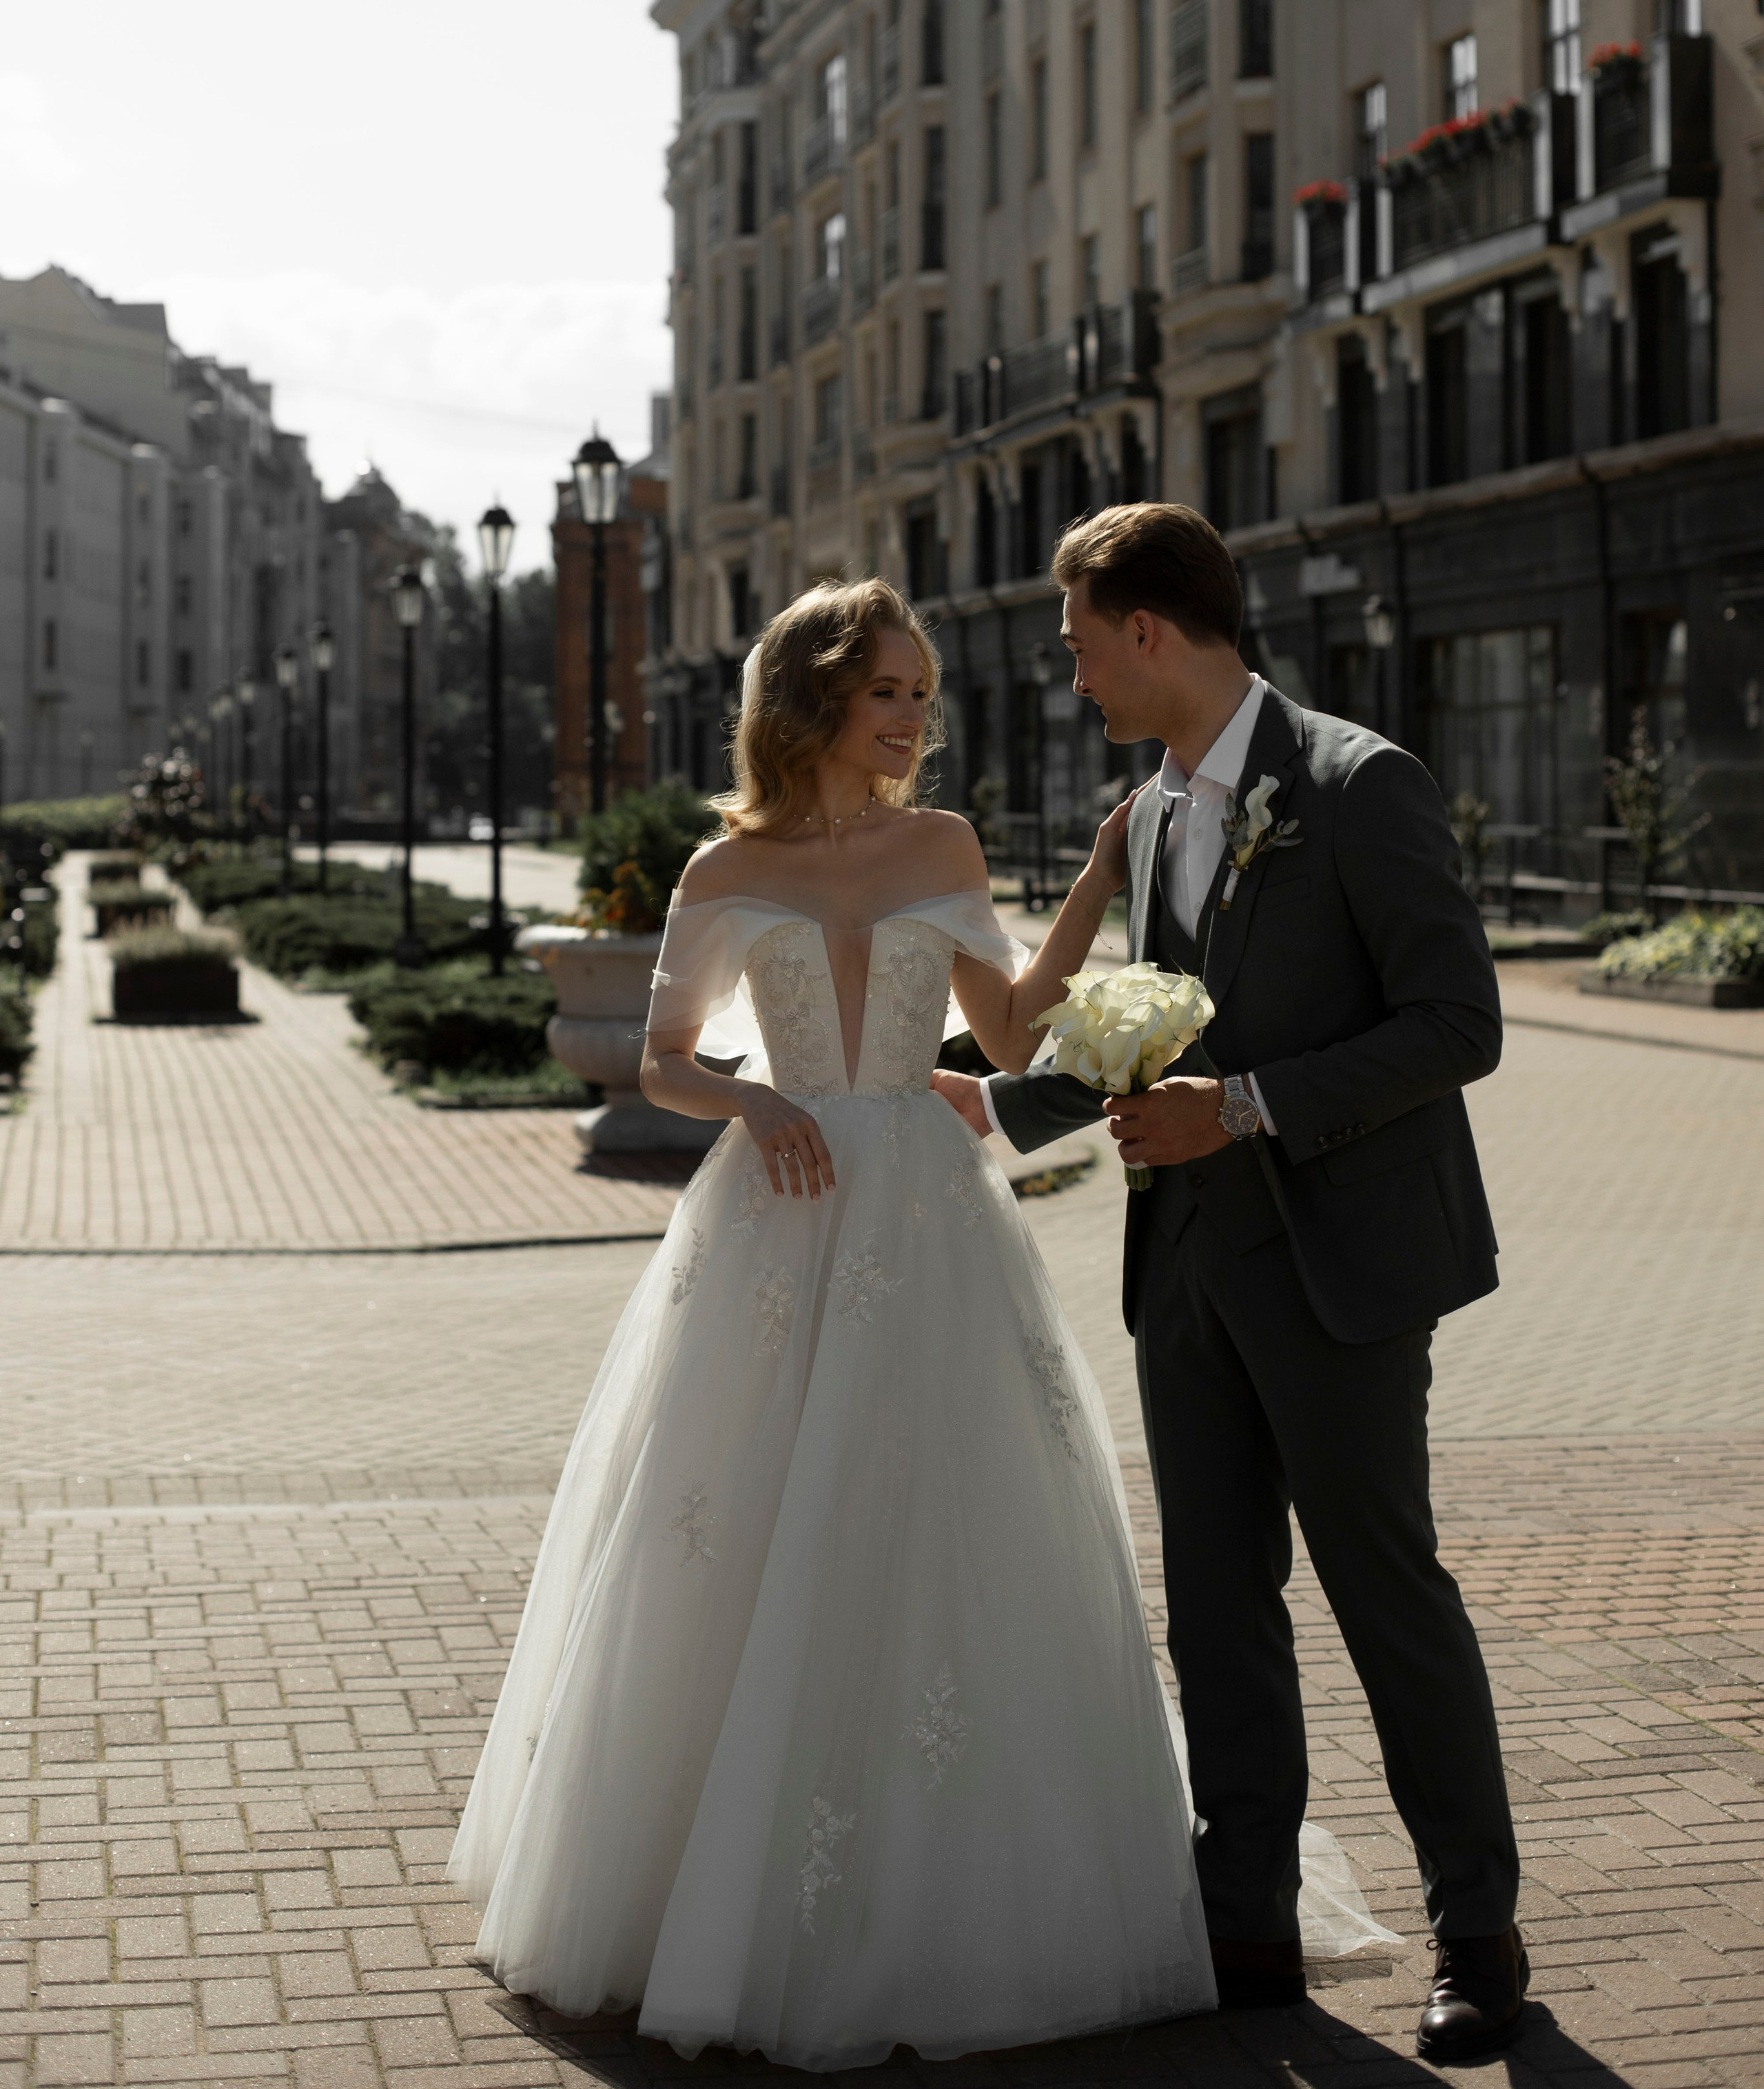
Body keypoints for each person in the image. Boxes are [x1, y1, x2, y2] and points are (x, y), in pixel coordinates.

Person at [447, 575, 1384, 2070]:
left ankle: (957, 1898)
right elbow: (663, 1057)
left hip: (929, 1217)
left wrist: (1096, 881)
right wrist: (754, 1102)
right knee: (744, 1524)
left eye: (921, 696)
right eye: (886, 691)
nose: (909, 719)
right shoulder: (723, 865)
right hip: (776, 1215)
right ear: (813, 694)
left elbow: (1006, 1035)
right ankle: (720, 1900)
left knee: (946, 1524)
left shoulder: (942, 845)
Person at [934, 502, 1526, 2066]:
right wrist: (984, 1108)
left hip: (1339, 1269)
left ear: (1148, 631)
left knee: (1384, 1595)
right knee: (1214, 1606)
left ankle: (1478, 1935)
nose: (1071, 676)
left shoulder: (1359, 783)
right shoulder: (1147, 816)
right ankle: (1244, 1918)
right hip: (1185, 1266)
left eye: (1080, 646)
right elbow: (1150, 1026)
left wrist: (1247, 1109)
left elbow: (1456, 1024)